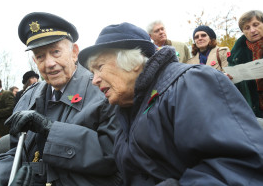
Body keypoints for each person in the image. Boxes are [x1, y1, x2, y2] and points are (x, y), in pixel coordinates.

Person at [78, 22, 263, 185]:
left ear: (132, 62)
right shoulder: (127, 108)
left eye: (99, 67)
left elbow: (238, 167)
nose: (94, 80)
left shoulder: (192, 82)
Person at [0, 12, 120, 186]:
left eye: (55, 51)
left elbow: (112, 154)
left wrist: (50, 129)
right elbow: (17, 152)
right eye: (40, 56)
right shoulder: (28, 96)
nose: (49, 63)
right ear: (34, 60)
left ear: (74, 52)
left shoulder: (103, 90)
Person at [227, 10, 263, 118]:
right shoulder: (236, 54)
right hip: (252, 108)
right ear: (243, 32)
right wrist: (229, 78)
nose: (252, 30)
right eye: (247, 28)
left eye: (256, 25)